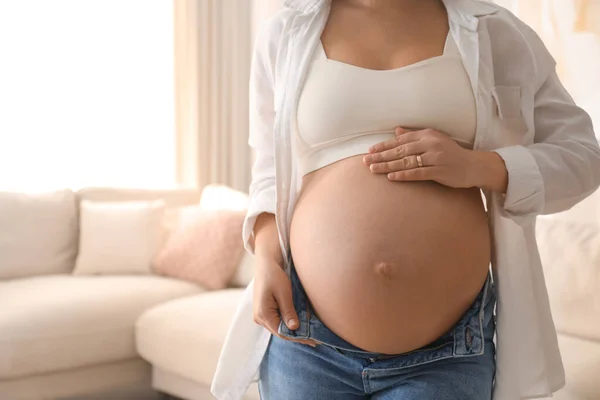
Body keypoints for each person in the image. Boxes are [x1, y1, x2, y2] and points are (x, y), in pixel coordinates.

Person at [211, 0, 600, 399]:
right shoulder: (287, 31)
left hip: (448, 352)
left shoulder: (495, 31)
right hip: (307, 340)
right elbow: (269, 170)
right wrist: (264, 258)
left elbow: (584, 156)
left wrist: (480, 166)